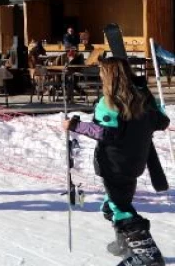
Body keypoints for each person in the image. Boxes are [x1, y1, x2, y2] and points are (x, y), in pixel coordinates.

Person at [63, 57, 169, 266]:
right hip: (135, 162)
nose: (100, 76)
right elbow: (162, 121)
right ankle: (126, 244)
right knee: (111, 206)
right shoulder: (143, 100)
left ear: (109, 76)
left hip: (114, 164)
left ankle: (148, 255)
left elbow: (106, 133)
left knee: (119, 207)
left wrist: (76, 126)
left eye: (102, 72)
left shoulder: (108, 103)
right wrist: (149, 97)